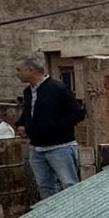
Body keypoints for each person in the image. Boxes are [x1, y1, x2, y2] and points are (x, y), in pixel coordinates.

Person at [14, 53, 85, 200]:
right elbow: (28, 113)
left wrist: (53, 128)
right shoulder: (28, 92)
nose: (17, 74)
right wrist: (21, 124)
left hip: (60, 147)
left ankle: (76, 212)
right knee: (45, 187)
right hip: (37, 148)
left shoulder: (57, 88)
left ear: (30, 70)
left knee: (69, 185)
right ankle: (52, 214)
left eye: (19, 70)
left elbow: (77, 113)